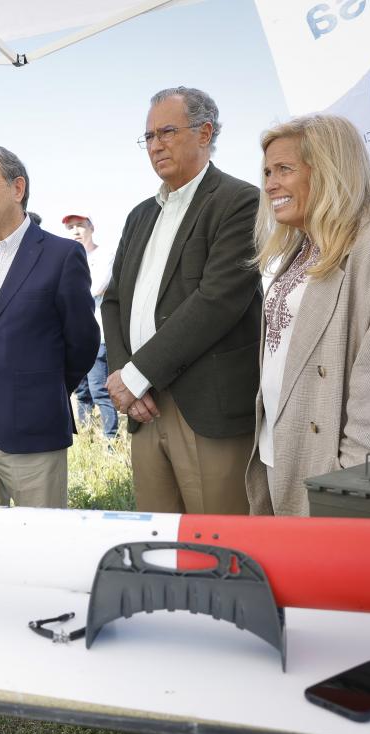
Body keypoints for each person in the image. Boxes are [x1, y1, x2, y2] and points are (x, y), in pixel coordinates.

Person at [245, 114, 370, 516]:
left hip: (339, 482)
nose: (269, 185)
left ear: (331, 169)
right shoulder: (301, 250)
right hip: (282, 461)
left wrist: (351, 488)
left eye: (284, 169)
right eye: (267, 172)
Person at [101, 86, 261, 514]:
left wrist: (135, 374)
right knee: (157, 541)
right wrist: (123, 378)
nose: (155, 145)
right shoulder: (140, 216)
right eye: (149, 137)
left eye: (167, 132)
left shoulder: (239, 202)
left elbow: (217, 302)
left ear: (205, 132)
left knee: (220, 545)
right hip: (143, 407)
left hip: (205, 410)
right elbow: (112, 301)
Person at [0, 146, 98, 508]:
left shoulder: (60, 255)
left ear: (18, 188)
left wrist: (41, 389)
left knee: (41, 543)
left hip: (32, 426)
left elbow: (83, 341)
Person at [63, 213, 118, 439]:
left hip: (98, 334)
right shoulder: (65, 257)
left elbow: (96, 287)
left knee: (100, 391)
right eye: (70, 227)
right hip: (72, 336)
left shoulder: (106, 254)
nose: (75, 231)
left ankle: (110, 441)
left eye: (80, 226)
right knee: (81, 392)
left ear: (91, 228)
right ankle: (87, 436)